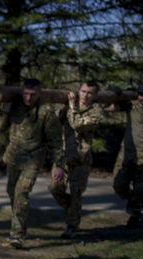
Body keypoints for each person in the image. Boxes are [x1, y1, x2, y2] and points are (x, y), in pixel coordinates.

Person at [0, 78, 64, 248]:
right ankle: (19, 225)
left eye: (33, 94)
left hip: (33, 160)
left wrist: (59, 165)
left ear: (39, 93)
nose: (29, 98)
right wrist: (5, 112)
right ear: (22, 92)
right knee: (11, 192)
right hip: (13, 158)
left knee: (21, 194)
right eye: (26, 94)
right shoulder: (15, 106)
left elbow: (55, 141)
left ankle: (17, 235)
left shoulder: (46, 112)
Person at [48, 81, 104, 238]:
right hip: (63, 157)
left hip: (81, 158)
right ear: (79, 91)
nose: (85, 95)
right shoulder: (67, 106)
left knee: (76, 193)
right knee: (54, 187)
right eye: (83, 91)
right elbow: (55, 123)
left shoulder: (96, 112)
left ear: (95, 95)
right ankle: (73, 210)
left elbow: (77, 124)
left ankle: (72, 225)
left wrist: (72, 107)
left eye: (90, 93)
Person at [112, 80, 143, 228]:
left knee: (141, 188)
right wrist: (115, 93)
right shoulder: (131, 106)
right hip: (126, 152)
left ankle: (134, 214)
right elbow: (109, 107)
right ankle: (132, 200)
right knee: (118, 184)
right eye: (141, 95)